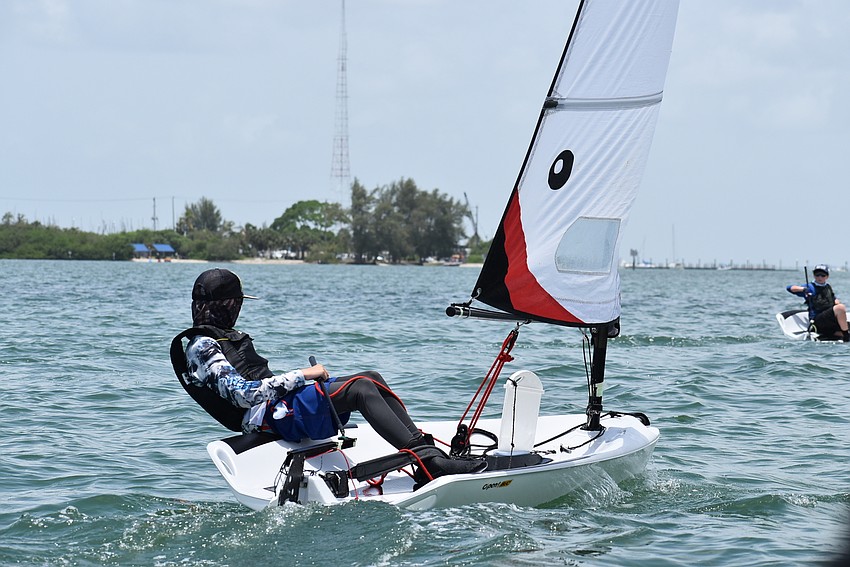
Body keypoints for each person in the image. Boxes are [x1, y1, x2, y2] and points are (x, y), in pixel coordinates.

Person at [170, 267, 484, 480]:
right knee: (360, 388)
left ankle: (426, 454)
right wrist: (303, 375)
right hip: (264, 417)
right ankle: (430, 463)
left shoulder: (220, 337)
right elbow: (244, 395)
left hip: (280, 407)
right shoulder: (202, 347)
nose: (238, 309)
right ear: (226, 305)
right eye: (235, 303)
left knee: (370, 376)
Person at [786, 264, 850, 341]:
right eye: (817, 275)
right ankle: (846, 337)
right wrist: (803, 289)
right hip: (818, 321)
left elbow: (834, 299)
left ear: (827, 276)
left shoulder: (827, 287)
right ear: (814, 275)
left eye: (822, 275)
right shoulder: (810, 287)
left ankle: (838, 334)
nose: (820, 277)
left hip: (830, 321)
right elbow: (789, 288)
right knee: (840, 307)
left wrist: (837, 303)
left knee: (840, 308)